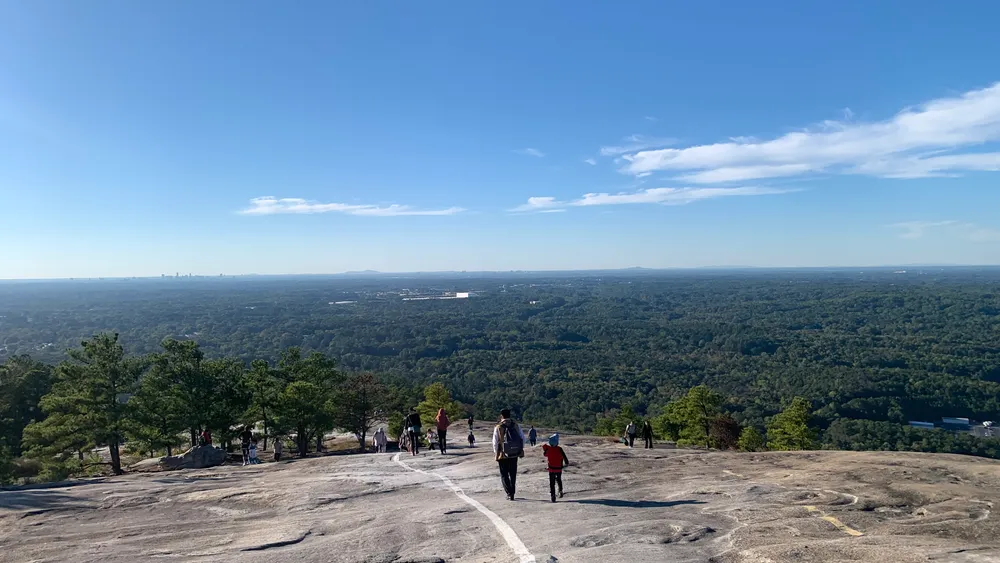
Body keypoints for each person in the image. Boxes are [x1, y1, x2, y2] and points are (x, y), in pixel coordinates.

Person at [492, 408, 525, 501]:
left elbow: (495, 442)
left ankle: (509, 493)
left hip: (503, 454)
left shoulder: (498, 427)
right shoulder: (515, 426)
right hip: (514, 453)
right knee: (513, 473)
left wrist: (496, 453)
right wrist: (520, 449)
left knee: (504, 474)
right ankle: (513, 492)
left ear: (501, 416)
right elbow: (522, 438)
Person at [542, 433, 570, 502]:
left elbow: (545, 454)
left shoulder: (548, 449)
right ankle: (560, 490)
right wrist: (566, 464)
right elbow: (565, 458)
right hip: (558, 468)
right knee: (559, 479)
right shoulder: (560, 449)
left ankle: (553, 495)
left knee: (552, 482)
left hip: (551, 469)